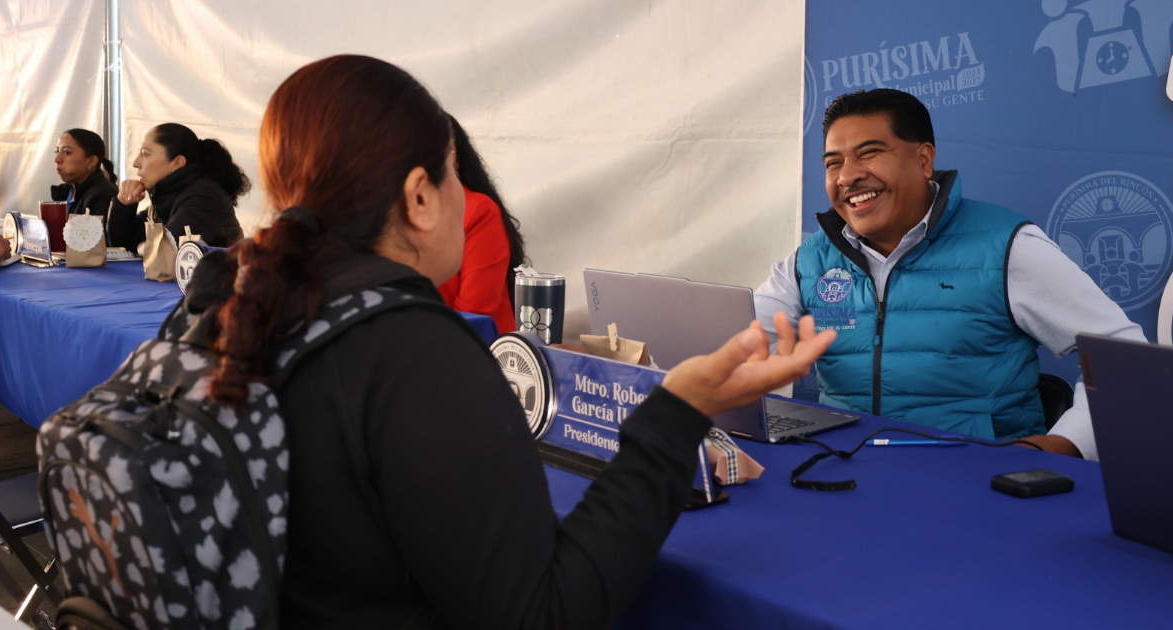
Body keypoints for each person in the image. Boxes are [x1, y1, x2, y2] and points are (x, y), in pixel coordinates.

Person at [182, 54, 834, 629]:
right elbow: (544, 612)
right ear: (419, 197)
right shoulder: (413, 353)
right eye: (453, 174)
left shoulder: (230, 309)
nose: (466, 196)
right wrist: (676, 415)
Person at [755, 88, 1145, 461]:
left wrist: (1065, 444)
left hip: (979, 480)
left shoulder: (1006, 246)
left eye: (868, 153)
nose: (847, 176)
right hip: (841, 471)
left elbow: (1126, 357)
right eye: (833, 163)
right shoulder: (811, 259)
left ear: (924, 159)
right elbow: (739, 346)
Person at [436, 114, 528, 333]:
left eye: (444, 151)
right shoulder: (389, 211)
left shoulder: (479, 211)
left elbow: (474, 314)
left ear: (457, 160)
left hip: (474, 345)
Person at [107, 123, 248, 249]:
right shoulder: (167, 195)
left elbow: (163, 249)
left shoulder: (204, 196)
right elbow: (123, 246)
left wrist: (143, 247)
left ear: (177, 163)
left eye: (145, 154)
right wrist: (123, 204)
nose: (135, 163)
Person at [49, 128, 119, 218]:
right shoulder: (67, 192)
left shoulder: (105, 195)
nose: (57, 159)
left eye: (66, 152)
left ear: (91, 161)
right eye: (57, 151)